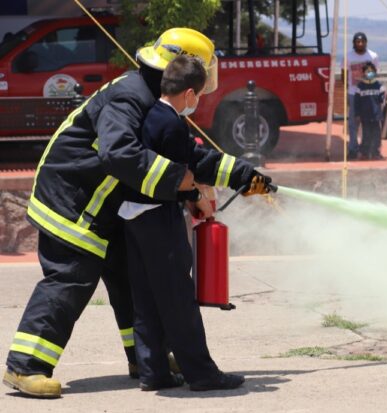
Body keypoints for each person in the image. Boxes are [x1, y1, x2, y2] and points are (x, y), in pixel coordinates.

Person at [3, 28, 271, 398]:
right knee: (70, 282)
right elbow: (120, 154)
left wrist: (242, 175)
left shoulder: (153, 98)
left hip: (105, 207)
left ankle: (147, 359)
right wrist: (182, 182)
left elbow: (185, 152)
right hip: (73, 203)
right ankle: (25, 366)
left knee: (131, 283)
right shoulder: (129, 97)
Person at [121, 55, 270, 392]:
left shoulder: (151, 116)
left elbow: (186, 165)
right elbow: (185, 172)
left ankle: (153, 371)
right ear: (188, 94)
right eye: (199, 96)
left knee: (145, 299)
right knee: (177, 299)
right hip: (158, 218)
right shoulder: (173, 124)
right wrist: (197, 195)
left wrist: (244, 177)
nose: (198, 102)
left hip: (132, 216)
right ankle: (201, 374)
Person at [343, 32, 378, 160]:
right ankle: (353, 148)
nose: (360, 44)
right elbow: (344, 74)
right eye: (358, 42)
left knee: (367, 121)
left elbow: (374, 74)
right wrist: (346, 90)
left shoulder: (372, 56)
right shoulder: (348, 57)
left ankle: (366, 147)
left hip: (367, 94)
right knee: (353, 122)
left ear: (366, 42)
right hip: (353, 93)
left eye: (362, 41)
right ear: (354, 43)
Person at [354, 62, 385, 160]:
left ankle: (375, 152)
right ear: (364, 73)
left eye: (372, 71)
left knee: (376, 134)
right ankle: (365, 153)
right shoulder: (360, 87)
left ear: (375, 72)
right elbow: (356, 102)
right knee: (366, 134)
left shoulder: (379, 86)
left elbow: (381, 100)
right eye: (367, 71)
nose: (370, 73)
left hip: (376, 115)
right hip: (365, 115)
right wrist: (357, 114)